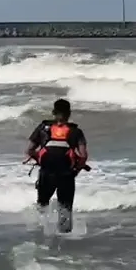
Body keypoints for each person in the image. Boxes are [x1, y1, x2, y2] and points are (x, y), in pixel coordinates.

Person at [25, 98, 89, 233]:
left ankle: (40, 232)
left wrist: (40, 160)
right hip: (66, 174)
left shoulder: (43, 128)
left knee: (42, 204)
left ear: (53, 112)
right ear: (69, 113)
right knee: (65, 207)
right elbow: (83, 155)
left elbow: (29, 149)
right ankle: (64, 239)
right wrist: (76, 170)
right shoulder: (76, 131)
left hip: (46, 172)